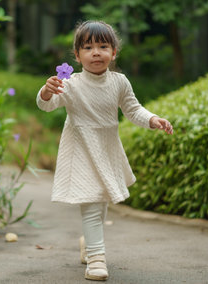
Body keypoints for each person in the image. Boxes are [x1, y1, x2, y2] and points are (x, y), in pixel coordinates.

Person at [36, 20, 173, 281]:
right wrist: (45, 92)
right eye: (88, 47)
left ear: (114, 52)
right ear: (77, 56)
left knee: (101, 202)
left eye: (102, 46)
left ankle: (89, 244)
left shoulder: (120, 82)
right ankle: (97, 257)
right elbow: (48, 105)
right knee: (91, 202)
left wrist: (152, 119)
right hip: (81, 148)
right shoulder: (70, 82)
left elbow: (133, 109)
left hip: (107, 147)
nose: (96, 52)